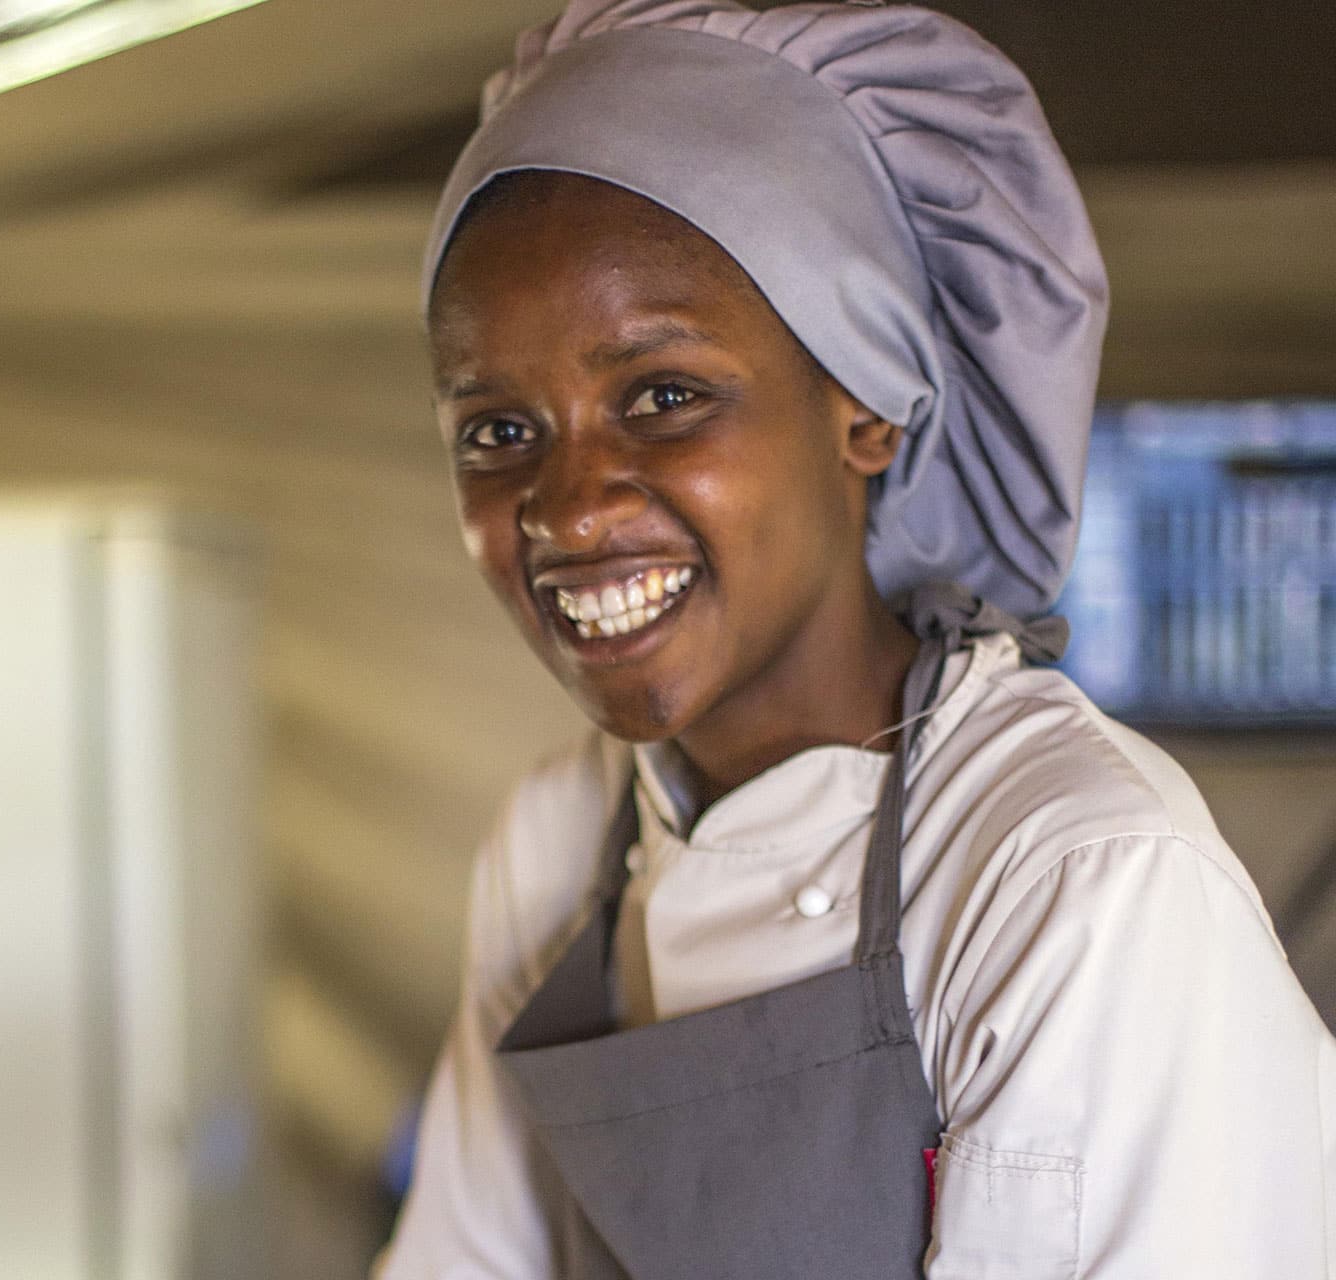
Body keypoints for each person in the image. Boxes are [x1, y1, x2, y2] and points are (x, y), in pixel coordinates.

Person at [376, 2, 1336, 1277]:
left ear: (868, 407)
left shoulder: (1074, 879)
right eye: (498, 429)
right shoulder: (557, 843)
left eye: (664, 397)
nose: (568, 505)